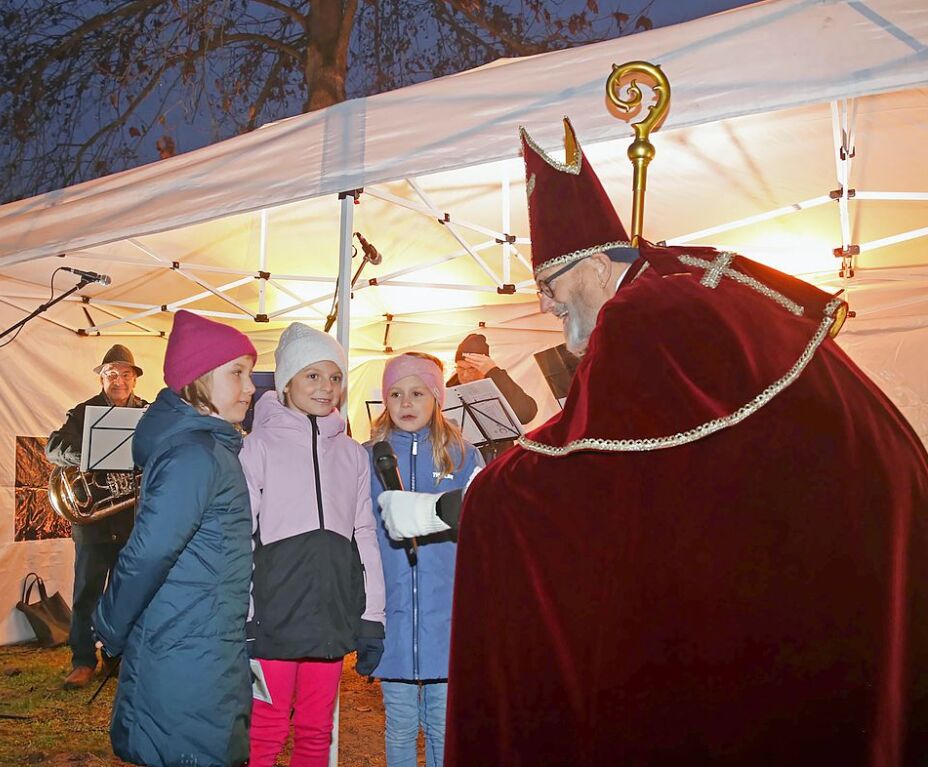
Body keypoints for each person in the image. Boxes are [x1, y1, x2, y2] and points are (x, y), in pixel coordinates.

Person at [390, 118, 928, 765]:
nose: (559, 321)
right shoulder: (680, 287)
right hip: (847, 524)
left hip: (831, 532)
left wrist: (475, 498)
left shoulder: (647, 312)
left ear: (593, 264)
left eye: (557, 299)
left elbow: (582, 461)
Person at [93, 310, 257, 767]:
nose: (250, 387)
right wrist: (109, 623)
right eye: (238, 374)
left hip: (195, 636)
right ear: (199, 380)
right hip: (188, 645)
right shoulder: (196, 456)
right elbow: (149, 552)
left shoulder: (207, 448)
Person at [240, 322, 386, 767]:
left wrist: (372, 616)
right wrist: (243, 615)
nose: (327, 388)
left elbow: (365, 535)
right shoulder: (258, 446)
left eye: (336, 377)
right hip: (273, 616)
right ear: (286, 380)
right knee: (265, 731)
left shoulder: (352, 453)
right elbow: (242, 536)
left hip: (330, 613)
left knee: (316, 731)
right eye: (313, 375)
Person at [366, 352, 483, 767]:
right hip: (393, 618)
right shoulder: (369, 457)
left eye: (417, 393)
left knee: (441, 724)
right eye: (395, 394)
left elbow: (482, 531)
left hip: (445, 618)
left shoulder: (463, 455)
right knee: (398, 723)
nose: (406, 403)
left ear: (436, 396)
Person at [45, 343, 149, 690]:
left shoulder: (149, 415)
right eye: (110, 374)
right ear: (101, 379)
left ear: (134, 379)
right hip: (95, 519)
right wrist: (86, 454)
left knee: (126, 592)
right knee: (87, 591)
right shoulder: (84, 413)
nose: (118, 380)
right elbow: (53, 447)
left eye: (124, 374)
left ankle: (118, 658)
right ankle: (83, 661)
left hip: (132, 519)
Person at [447, 332, 537, 462]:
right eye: (460, 368)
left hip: (497, 461)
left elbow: (526, 414)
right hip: (461, 462)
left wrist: (493, 371)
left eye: (472, 369)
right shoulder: (448, 391)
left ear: (483, 367)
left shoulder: (500, 384)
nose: (465, 375)